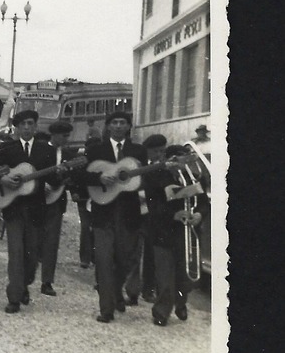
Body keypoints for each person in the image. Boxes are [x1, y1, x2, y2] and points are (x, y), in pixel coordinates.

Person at [0, 109, 55, 314]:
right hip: (14, 209)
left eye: (30, 123)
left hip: (36, 210)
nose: (26, 127)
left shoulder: (46, 150)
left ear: (36, 125)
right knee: (16, 253)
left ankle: (24, 284)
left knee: (32, 256)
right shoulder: (7, 149)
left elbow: (54, 180)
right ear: (17, 127)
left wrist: (61, 175)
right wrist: (2, 179)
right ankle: (14, 298)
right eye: (22, 124)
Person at [81, 110, 147, 322]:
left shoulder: (138, 151)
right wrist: (99, 179)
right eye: (115, 123)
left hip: (129, 213)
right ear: (108, 126)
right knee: (103, 259)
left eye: (123, 123)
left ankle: (116, 291)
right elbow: (79, 175)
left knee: (125, 259)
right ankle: (106, 309)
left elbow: (143, 180)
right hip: (103, 212)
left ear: (129, 127)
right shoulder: (95, 150)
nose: (119, 126)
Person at [143, 137, 197, 326]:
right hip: (163, 231)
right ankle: (161, 312)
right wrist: (173, 214)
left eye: (184, 160)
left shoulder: (193, 177)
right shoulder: (155, 176)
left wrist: (199, 215)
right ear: (168, 160)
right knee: (165, 275)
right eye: (176, 160)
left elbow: (203, 203)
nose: (181, 164)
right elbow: (152, 205)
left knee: (184, 276)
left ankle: (181, 303)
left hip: (187, 232)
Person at [39, 120, 79, 296]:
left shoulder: (69, 154)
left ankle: (47, 281)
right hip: (37, 199)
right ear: (54, 135)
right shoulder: (40, 150)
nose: (66, 139)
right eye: (64, 136)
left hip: (57, 200)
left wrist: (68, 181)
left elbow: (74, 176)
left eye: (67, 136)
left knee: (52, 242)